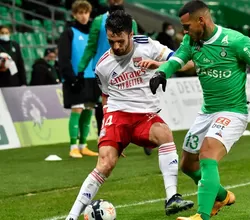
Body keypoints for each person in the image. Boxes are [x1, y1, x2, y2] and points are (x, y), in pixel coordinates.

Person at [149, 1, 250, 220]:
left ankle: (201, 215)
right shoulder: (191, 40)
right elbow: (176, 60)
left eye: (187, 26)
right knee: (187, 164)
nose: (183, 32)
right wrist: (162, 73)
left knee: (207, 153)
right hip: (207, 112)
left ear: (201, 20)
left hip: (233, 112)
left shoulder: (236, 41)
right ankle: (221, 196)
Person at [65, 10, 194, 220]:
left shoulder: (149, 47)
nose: (116, 46)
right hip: (118, 115)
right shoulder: (103, 66)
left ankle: (172, 198)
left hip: (145, 115)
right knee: (105, 163)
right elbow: (105, 98)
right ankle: (71, 217)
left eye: (120, 41)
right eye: (111, 41)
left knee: (165, 134)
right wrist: (105, 130)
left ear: (130, 34)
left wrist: (159, 65)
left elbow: (186, 63)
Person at [77, 0, 141, 153]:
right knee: (102, 105)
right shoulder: (99, 21)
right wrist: (81, 68)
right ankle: (104, 139)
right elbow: (91, 46)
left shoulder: (131, 22)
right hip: (103, 71)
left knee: (134, 103)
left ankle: (142, 136)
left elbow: (137, 45)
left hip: (126, 70)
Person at [58, 0, 99, 158]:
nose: (83, 16)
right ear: (74, 14)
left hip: (91, 77)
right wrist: (70, 78)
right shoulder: (68, 32)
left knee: (88, 111)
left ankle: (83, 145)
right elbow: (63, 58)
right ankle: (73, 146)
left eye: (86, 13)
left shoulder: (92, 34)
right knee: (77, 110)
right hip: (75, 78)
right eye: (80, 13)